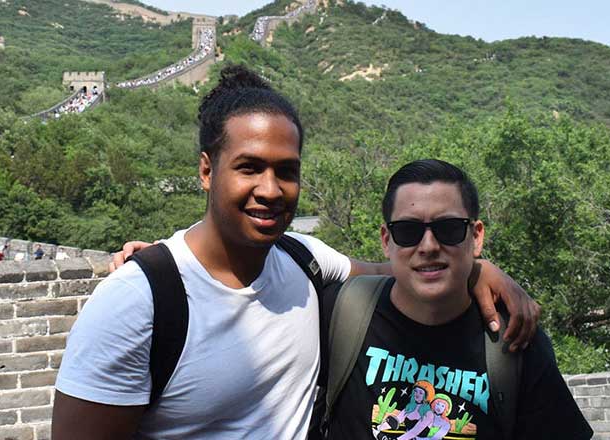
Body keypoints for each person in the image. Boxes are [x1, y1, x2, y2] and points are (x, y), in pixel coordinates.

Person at [52, 66, 538, 439]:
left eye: (286, 170)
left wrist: (474, 270)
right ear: (206, 171)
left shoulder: (303, 259)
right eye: (249, 167)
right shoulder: (136, 302)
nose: (270, 189)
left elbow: (400, 270)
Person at [322, 159, 591, 439]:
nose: (428, 246)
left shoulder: (516, 342)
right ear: (387, 240)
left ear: (476, 237)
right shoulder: (338, 314)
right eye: (408, 231)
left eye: (448, 228)